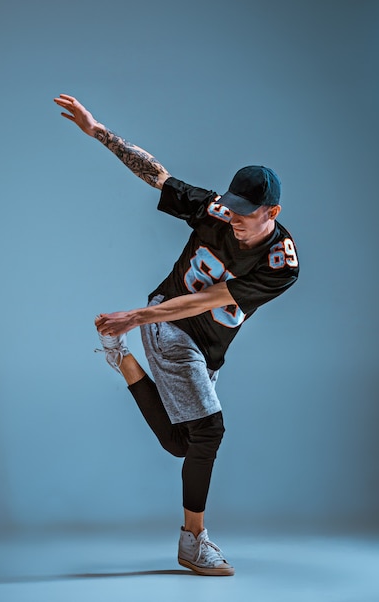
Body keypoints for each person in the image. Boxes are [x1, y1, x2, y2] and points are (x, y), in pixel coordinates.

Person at [54, 93, 299, 576]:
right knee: (210, 431)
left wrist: (130, 323)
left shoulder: (280, 264)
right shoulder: (215, 210)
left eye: (247, 215)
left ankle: (117, 355)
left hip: (202, 342)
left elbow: (213, 299)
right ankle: (193, 542)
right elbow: (158, 175)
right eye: (231, 209)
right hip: (168, 324)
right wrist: (99, 130)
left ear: (272, 211)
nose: (233, 219)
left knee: (183, 444)